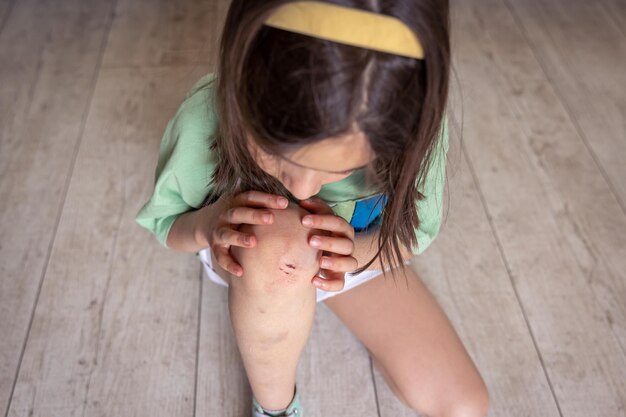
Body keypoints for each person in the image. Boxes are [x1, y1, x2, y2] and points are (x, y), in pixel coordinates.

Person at [136, 1, 489, 416]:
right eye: (276, 155)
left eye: (340, 169)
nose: (301, 187)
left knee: (465, 406)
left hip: (354, 259)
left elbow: (413, 235)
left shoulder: (411, 127)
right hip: (255, 259)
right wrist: (210, 223)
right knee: (280, 246)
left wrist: (353, 253)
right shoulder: (205, 115)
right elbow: (168, 224)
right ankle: (276, 407)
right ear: (240, 89)